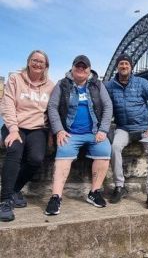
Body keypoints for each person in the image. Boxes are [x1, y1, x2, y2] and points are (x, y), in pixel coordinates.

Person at [45, 55, 112, 215]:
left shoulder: (98, 85)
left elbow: (108, 106)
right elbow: (52, 107)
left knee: (104, 151)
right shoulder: (62, 84)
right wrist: (59, 130)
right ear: (73, 68)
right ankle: (56, 197)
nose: (81, 69)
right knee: (62, 156)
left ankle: (94, 192)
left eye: (84, 67)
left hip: (94, 132)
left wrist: (103, 130)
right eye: (78, 66)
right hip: (69, 133)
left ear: (89, 70)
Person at [104, 53, 148, 209]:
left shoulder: (141, 83)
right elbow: (100, 103)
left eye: (126, 64)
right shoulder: (109, 86)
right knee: (114, 147)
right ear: (117, 67)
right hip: (123, 128)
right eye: (121, 64)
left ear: (131, 67)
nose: (123, 66)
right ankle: (120, 186)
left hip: (145, 128)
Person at [0, 50, 54, 222]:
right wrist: (13, 130)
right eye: (34, 60)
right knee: (15, 150)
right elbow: (7, 104)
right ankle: (5, 200)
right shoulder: (15, 79)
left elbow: (53, 111)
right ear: (29, 61)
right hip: (15, 126)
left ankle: (15, 189)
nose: (37, 63)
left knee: (36, 158)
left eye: (41, 62)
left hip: (38, 128)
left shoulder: (51, 86)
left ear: (46, 66)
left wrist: (54, 133)